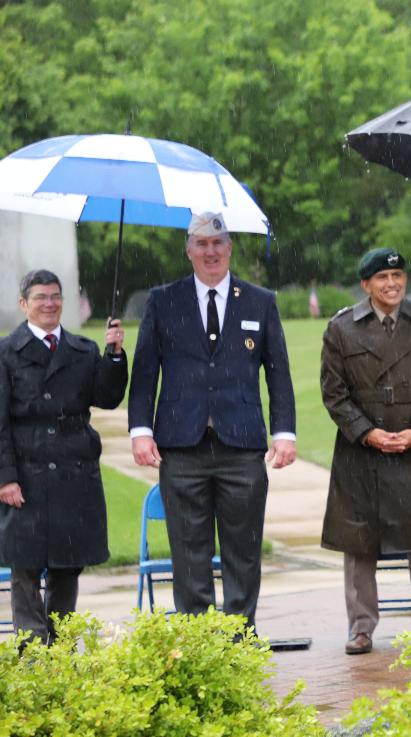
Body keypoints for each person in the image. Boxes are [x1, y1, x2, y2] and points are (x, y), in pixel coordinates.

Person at [128, 211, 296, 632]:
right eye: (201, 244)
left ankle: (240, 639)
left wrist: (284, 433)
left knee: (243, 551)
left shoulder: (260, 301)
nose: (211, 251)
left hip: (241, 447)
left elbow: (278, 373)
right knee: (189, 554)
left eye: (218, 242)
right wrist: (140, 431)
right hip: (180, 449)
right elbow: (145, 371)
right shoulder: (163, 301)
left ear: (230, 247)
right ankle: (199, 643)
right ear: (188, 250)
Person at [320, 247, 411, 655]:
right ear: (366, 284)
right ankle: (361, 627)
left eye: (398, 277)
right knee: (359, 541)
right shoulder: (342, 329)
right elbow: (335, 393)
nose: (392, 284)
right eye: (382, 278)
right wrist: (368, 433)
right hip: (361, 453)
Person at [0, 270, 127, 644]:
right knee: (25, 567)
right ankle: (34, 652)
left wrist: (114, 356)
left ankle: (60, 649)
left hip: (74, 473)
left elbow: (106, 397)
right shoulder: (6, 353)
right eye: (40, 297)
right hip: (26, 473)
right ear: (24, 304)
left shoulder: (84, 350)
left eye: (55, 296)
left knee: (66, 567)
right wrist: (5, 477)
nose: (50, 304)